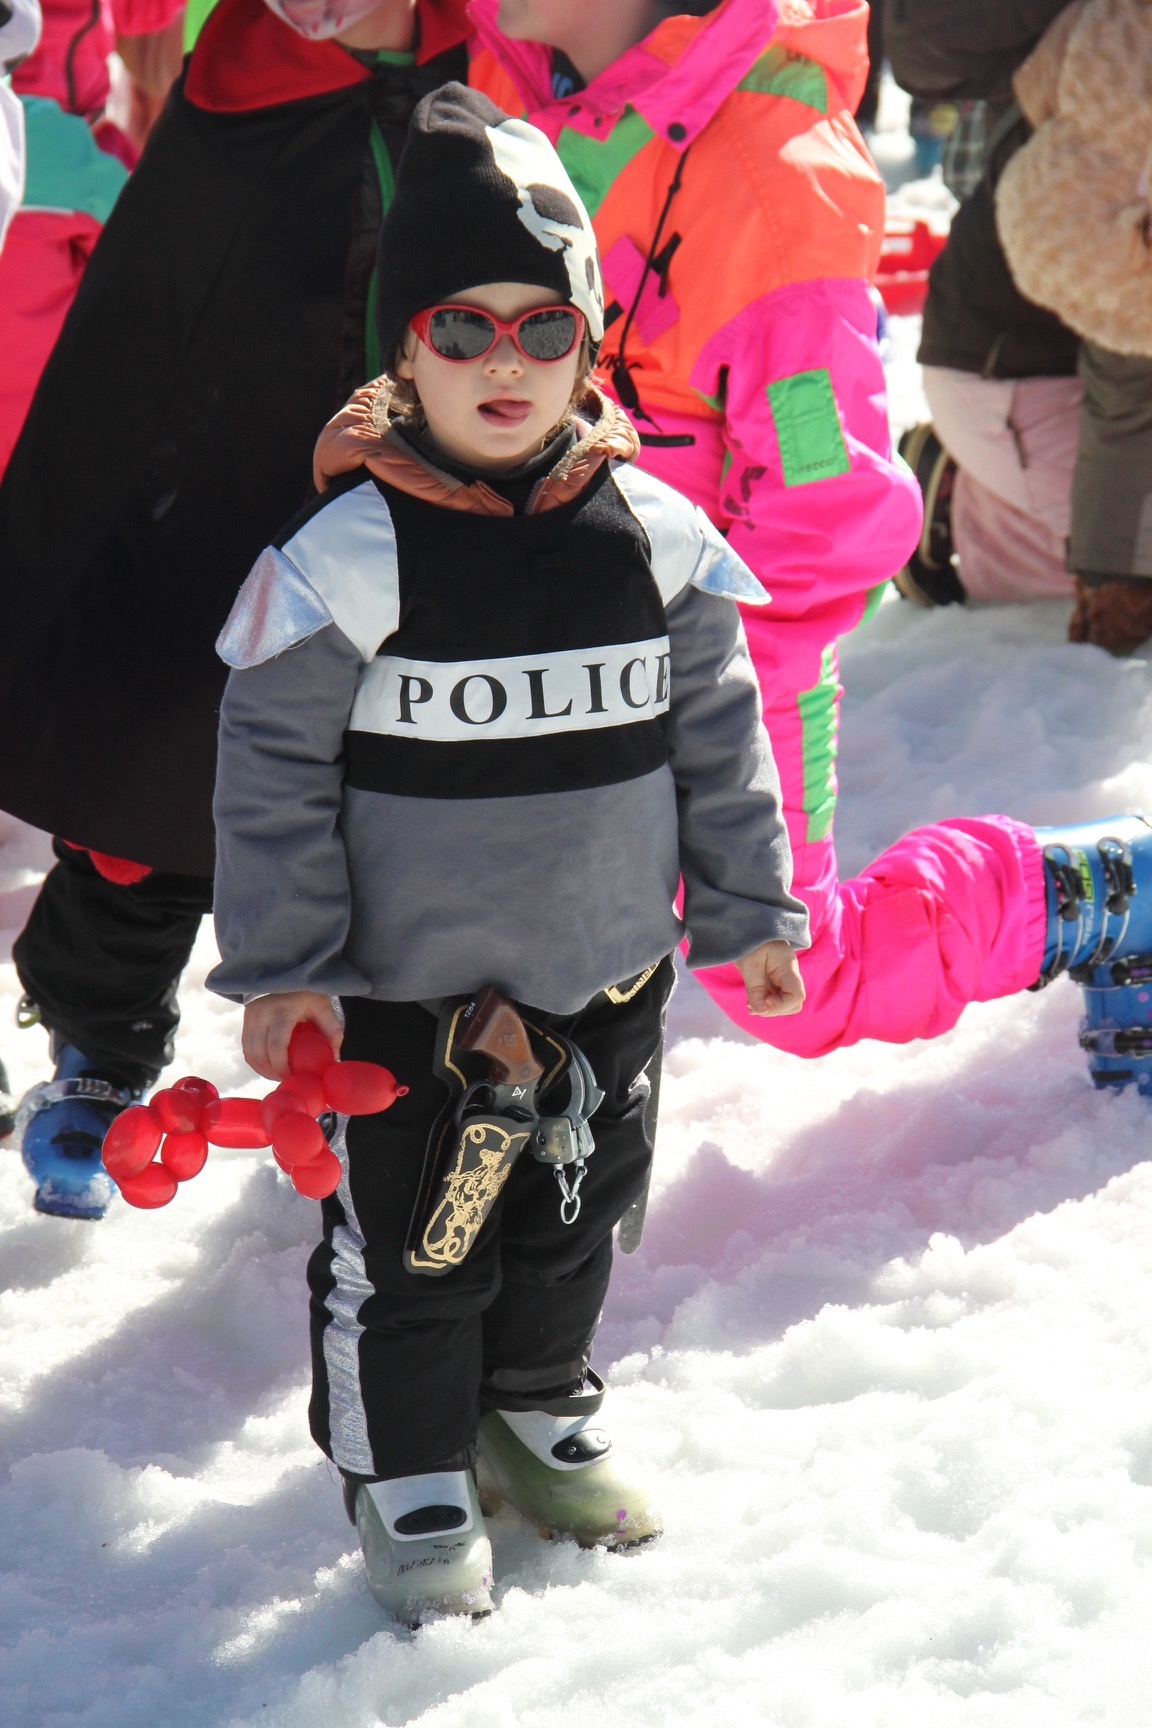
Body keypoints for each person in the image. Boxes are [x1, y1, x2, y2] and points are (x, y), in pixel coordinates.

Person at [208, 83, 809, 1623]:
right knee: (417, 1252)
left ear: (588, 347)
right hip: (406, 1001)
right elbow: (269, 774)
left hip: (605, 975)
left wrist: (749, 904)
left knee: (576, 1217)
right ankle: (408, 1468)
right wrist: (287, 968)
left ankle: (536, 1405)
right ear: (403, 351)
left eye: (543, 329)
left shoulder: (652, 535)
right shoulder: (348, 557)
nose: (503, 362)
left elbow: (722, 732)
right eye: (461, 328)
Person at [449, 0, 1152, 1083]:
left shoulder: (767, 173)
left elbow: (824, 501)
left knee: (795, 973)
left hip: (727, 643)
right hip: (558, 624)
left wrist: (716, 695)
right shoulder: (496, 89)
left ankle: (1107, 892)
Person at [0, 0, 469, 1218]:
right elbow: (145, 319)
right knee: (160, 747)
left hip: (437, 475)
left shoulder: (502, 58)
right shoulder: (242, 86)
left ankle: (401, 1062)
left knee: (412, 769)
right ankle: (101, 1035)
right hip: (227, 464)